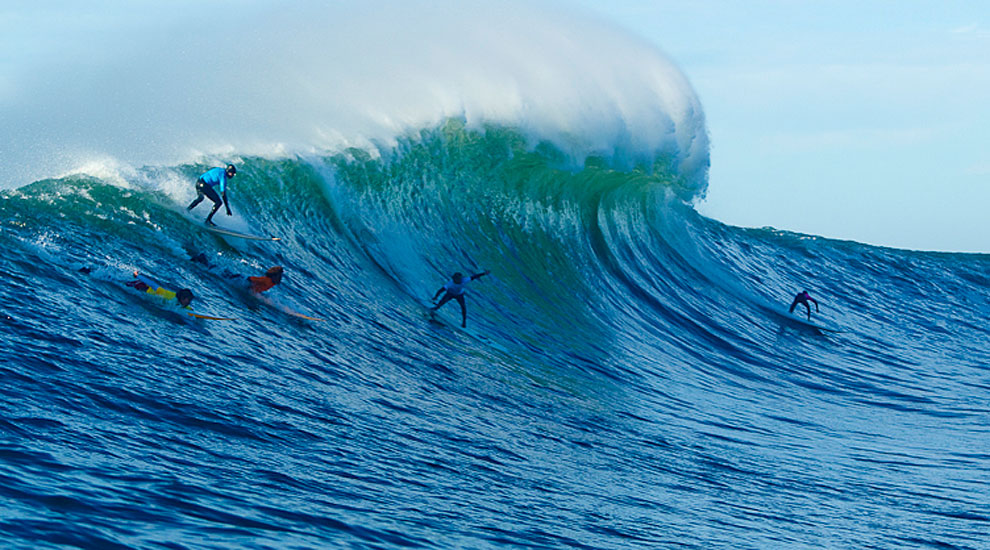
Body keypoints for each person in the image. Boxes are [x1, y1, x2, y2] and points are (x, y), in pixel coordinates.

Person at [127, 271, 195, 308]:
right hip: (142, 287)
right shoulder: (167, 296)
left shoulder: (181, 302)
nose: (189, 302)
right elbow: (153, 285)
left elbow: (186, 308)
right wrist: (137, 276)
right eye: (188, 300)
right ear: (183, 298)